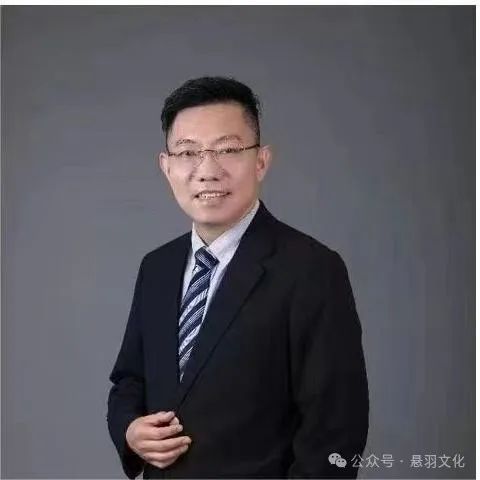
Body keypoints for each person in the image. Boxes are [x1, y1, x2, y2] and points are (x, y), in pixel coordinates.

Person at [107, 76, 369, 479]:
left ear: (261, 161)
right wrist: (129, 430)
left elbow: (334, 431)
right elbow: (129, 379)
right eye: (188, 152)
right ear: (166, 166)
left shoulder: (312, 269)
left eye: (228, 150)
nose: (207, 171)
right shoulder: (157, 268)